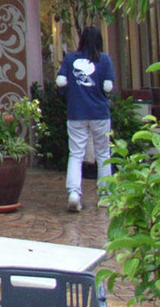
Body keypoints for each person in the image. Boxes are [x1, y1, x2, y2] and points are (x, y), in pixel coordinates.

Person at [56, 25, 114, 212]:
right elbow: (108, 87)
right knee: (103, 154)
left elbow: (60, 82)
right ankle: (105, 196)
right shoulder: (105, 59)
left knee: (76, 154)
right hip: (99, 113)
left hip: (76, 113)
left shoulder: (70, 58)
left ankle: (74, 193)